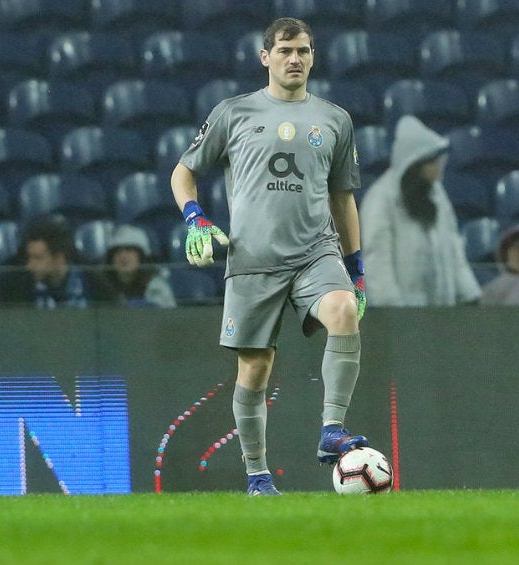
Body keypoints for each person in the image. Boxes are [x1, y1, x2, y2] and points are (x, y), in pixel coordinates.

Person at [170, 17, 368, 496]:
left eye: (303, 50)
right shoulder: (233, 113)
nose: (294, 59)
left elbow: (343, 198)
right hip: (253, 259)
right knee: (254, 370)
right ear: (265, 58)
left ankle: (331, 430)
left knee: (343, 309)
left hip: (314, 252)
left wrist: (356, 270)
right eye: (284, 51)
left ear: (313, 56)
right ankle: (257, 474)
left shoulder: (334, 119)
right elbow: (182, 172)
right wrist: (195, 218)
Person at [359, 115, 482, 306]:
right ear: (415, 164)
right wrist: (391, 311)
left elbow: (454, 249)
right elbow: (377, 260)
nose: (438, 167)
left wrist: (470, 295)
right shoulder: (380, 199)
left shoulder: (436, 194)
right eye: (432, 162)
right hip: (403, 319)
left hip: (442, 312)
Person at [0, 218, 113, 308]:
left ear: (59, 258)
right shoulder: (16, 288)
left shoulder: (94, 284)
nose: (29, 266)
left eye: (38, 258)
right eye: (29, 258)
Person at [104, 225, 176, 308]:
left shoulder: (156, 287)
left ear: (141, 257)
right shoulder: (101, 289)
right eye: (117, 251)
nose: (123, 256)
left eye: (129, 250)